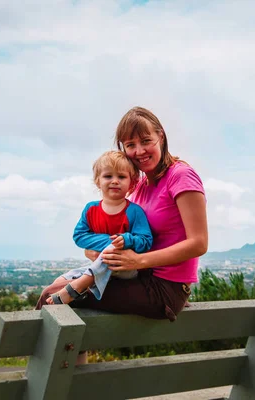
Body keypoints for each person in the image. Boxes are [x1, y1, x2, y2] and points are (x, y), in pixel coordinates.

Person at [36, 106, 208, 325]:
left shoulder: (181, 176)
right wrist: (105, 250)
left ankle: (52, 357)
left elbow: (199, 243)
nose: (139, 151)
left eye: (146, 141)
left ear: (161, 137)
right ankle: (72, 357)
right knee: (55, 292)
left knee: (50, 298)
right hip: (139, 277)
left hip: (164, 288)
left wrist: (137, 260)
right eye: (130, 145)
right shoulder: (141, 184)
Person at [44, 150, 153, 305]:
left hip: (124, 268)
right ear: (97, 181)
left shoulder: (135, 212)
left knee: (113, 249)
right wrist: (108, 241)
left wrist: (126, 240)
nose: (115, 181)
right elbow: (79, 236)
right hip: (97, 266)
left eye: (121, 177)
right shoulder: (91, 209)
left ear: (132, 182)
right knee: (57, 282)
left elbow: (146, 241)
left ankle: (77, 288)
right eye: (108, 176)